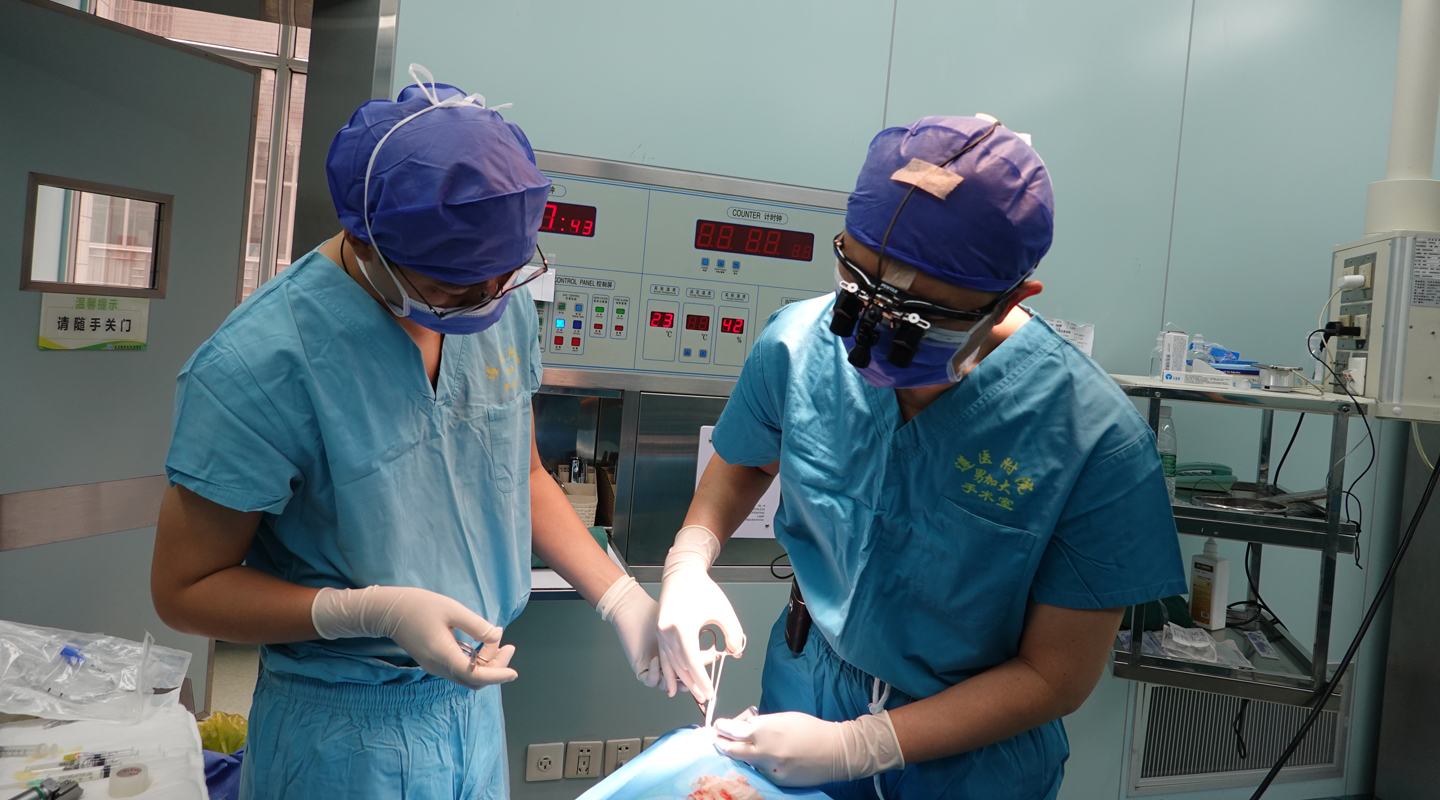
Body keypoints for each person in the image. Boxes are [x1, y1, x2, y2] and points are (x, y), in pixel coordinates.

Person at [150, 67, 661, 800]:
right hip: (337, 735)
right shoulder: (258, 364)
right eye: (454, 290)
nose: (485, 305)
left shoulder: (493, 299)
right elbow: (185, 588)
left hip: (475, 709)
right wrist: (367, 610)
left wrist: (621, 598)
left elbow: (518, 474)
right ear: (370, 244)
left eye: (501, 280)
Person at [655, 116, 1187, 800]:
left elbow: (1056, 675)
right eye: (859, 291)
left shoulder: (1094, 441)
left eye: (919, 320)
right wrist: (690, 557)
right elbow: (749, 461)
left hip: (971, 761)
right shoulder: (797, 343)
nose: (870, 333)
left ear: (1010, 300)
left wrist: (865, 745)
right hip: (803, 691)